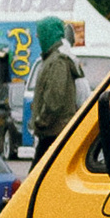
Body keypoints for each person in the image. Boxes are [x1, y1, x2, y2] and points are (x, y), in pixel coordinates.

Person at [29, 17, 83, 155]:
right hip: (54, 131)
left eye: (40, 33)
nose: (37, 36)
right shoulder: (53, 58)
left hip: (54, 132)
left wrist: (41, 121)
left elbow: (54, 99)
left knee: (38, 175)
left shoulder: (57, 61)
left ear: (49, 34)